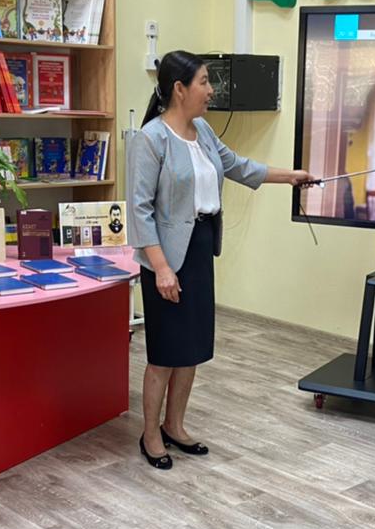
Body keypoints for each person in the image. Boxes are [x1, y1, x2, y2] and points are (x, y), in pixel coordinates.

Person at [128, 50, 312, 469]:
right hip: (165, 257)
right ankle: (151, 434)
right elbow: (139, 211)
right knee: (164, 354)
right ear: (179, 89)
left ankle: (175, 425)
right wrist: (161, 268)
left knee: (191, 349)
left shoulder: (205, 132)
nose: (212, 90)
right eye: (205, 82)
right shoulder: (151, 139)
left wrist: (292, 177)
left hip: (199, 248)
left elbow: (239, 167)